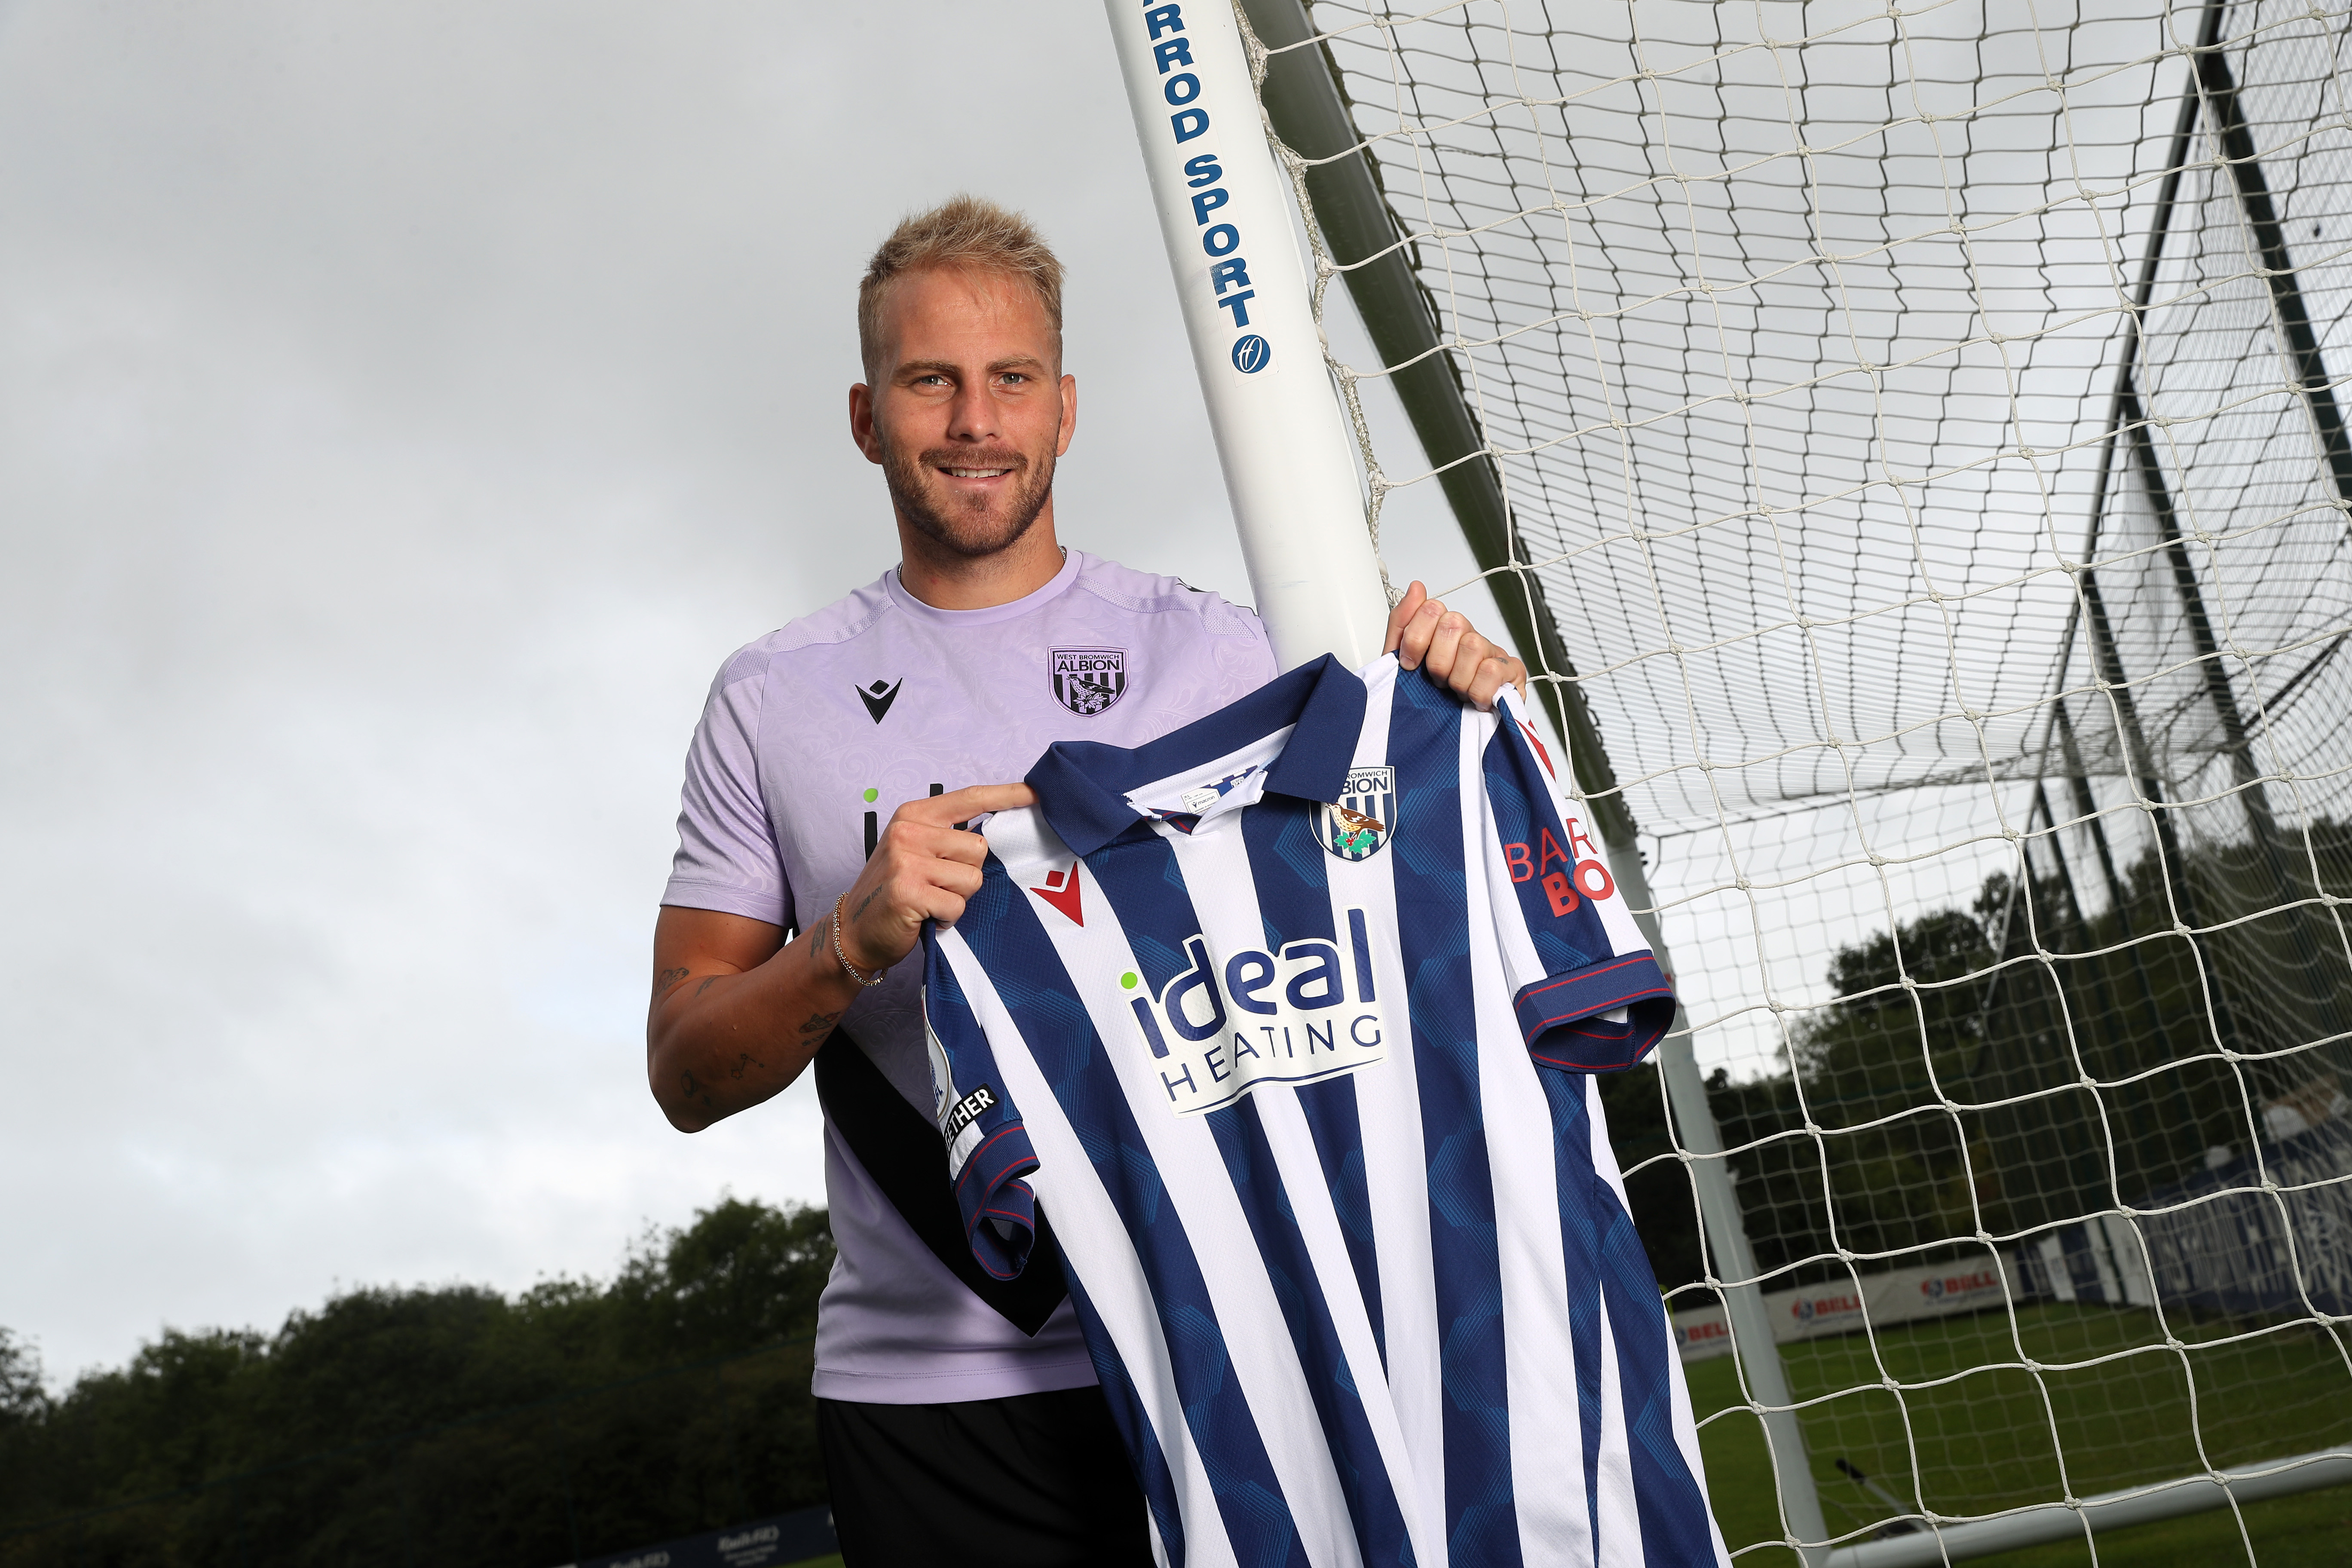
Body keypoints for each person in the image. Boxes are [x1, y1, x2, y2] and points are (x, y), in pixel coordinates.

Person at [646, 195, 1525, 1566]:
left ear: (1065, 409)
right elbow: (683, 1075)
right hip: (941, 1400)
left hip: (1237, 1334)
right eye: (929, 381)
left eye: (1009, 382)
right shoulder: (771, 699)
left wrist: (1452, 708)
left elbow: (1382, 899)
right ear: (869, 416)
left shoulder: (1235, 657)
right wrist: (848, 943)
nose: (973, 422)